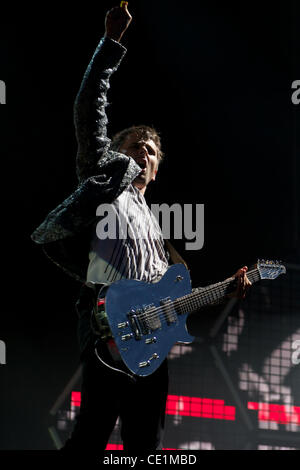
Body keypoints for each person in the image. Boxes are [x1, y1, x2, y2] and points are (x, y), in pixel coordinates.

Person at [31, 4, 251, 455]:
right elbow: (88, 106)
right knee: (91, 435)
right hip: (107, 327)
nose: (144, 153)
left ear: (157, 169)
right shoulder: (105, 180)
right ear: (116, 151)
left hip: (150, 347)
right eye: (135, 146)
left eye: (151, 151)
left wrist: (225, 290)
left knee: (145, 446)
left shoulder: (162, 238)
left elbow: (174, 301)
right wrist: (111, 44)